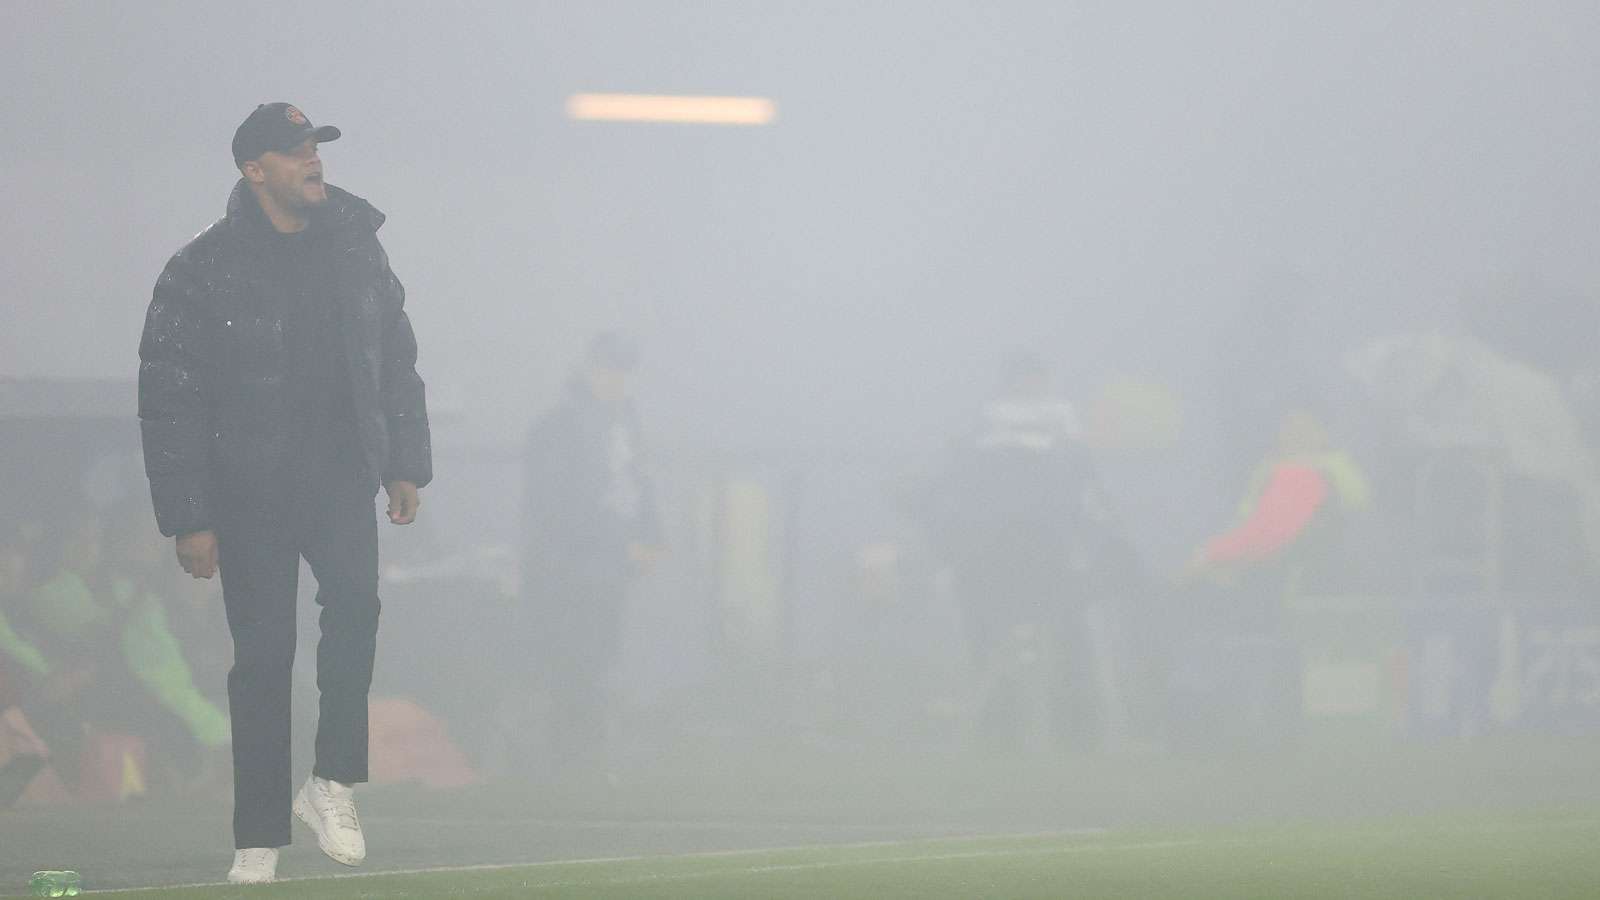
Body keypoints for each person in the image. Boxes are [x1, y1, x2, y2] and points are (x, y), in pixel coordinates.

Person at [138, 103, 431, 884]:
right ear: (253, 168)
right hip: (250, 489)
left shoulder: (355, 247)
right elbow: (171, 397)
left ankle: (331, 779)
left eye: (315, 148)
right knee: (263, 659)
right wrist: (189, 516)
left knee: (359, 608)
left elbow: (395, 356)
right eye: (294, 151)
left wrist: (405, 460)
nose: (313, 161)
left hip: (339, 474)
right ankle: (258, 836)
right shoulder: (201, 267)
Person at [520, 332, 662, 774]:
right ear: (588, 370)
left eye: (622, 370)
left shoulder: (625, 424)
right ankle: (569, 759)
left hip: (608, 569)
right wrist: (622, 545)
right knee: (573, 666)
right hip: (571, 571)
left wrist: (651, 536)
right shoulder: (559, 428)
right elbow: (559, 510)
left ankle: (584, 758)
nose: (616, 380)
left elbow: (637, 487)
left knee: (598, 659)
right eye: (607, 369)